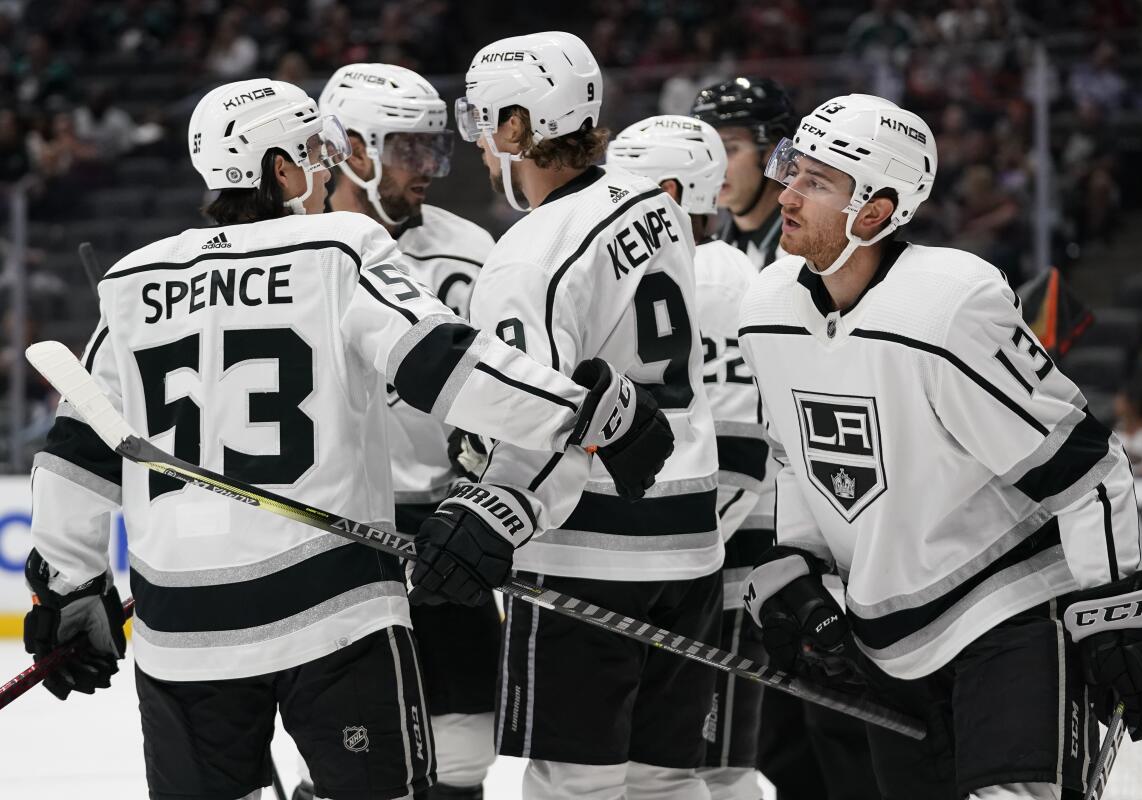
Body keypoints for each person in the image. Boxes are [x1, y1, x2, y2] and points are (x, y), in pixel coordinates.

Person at [22, 77, 674, 800]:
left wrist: (66, 584)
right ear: (276, 168)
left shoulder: (132, 279)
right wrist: (583, 413)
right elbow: (445, 365)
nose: (324, 169)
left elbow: (78, 451)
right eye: (310, 153)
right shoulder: (336, 247)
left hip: (183, 630)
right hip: (334, 614)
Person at [738, 93, 1142, 800]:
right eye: (792, 169)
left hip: (1007, 616)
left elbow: (1087, 469)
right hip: (885, 645)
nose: (787, 194)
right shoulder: (765, 310)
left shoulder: (950, 305)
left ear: (877, 211)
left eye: (816, 183)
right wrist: (796, 573)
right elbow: (796, 460)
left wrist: (1116, 608)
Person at [415, 31, 722, 800]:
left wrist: (498, 507)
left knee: (573, 786)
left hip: (594, 549)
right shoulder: (658, 208)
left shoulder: (529, 254)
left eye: (488, 125)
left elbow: (532, 414)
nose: (485, 148)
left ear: (519, 128)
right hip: (691, 540)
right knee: (667, 782)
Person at [694, 77, 879, 800]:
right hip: (759, 549)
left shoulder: (819, 258)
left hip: (827, 545)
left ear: (776, 153)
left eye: (732, 147)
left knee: (838, 749)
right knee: (775, 750)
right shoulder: (719, 258)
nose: (719, 166)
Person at [320, 62, 499, 800]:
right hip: (337, 535)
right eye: (406, 149)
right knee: (351, 759)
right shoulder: (298, 255)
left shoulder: (474, 250)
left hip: (444, 534)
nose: (426, 167)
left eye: (432, 148)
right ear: (352, 148)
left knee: (464, 755)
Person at [607, 115, 772, 800]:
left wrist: (665, 552)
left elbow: (736, 460)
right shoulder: (661, 268)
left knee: (711, 768)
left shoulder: (721, 276)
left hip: (718, 573)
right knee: (658, 767)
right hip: (682, 564)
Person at [690, 77, 799, 270]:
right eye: (707, 151)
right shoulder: (712, 252)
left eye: (729, 149)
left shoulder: (808, 252)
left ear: (773, 150)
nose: (712, 166)